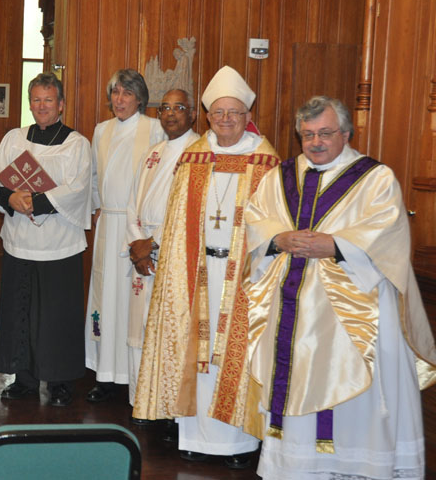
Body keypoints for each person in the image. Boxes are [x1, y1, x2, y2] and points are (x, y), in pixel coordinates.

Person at [244, 96, 436, 479]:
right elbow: (256, 219)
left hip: (354, 312)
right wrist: (278, 238)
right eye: (308, 134)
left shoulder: (375, 178)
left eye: (326, 133)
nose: (316, 142)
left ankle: (359, 466)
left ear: (346, 134)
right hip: (293, 311)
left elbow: (389, 231)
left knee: (354, 394)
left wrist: (334, 246)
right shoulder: (280, 176)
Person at [131, 65, 279, 468]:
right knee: (195, 350)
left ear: (247, 116)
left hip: (244, 276)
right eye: (219, 112)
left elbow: (275, 224)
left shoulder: (266, 162)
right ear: (208, 115)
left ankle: (240, 442)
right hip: (194, 273)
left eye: (234, 112)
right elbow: (177, 219)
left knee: (236, 352)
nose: (226, 119)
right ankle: (194, 436)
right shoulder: (194, 158)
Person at [0, 72, 92, 408]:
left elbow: (79, 189)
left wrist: (36, 201)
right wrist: (11, 198)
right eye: (36, 100)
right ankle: (24, 378)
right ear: (30, 104)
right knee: (21, 311)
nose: (42, 106)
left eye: (49, 100)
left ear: (61, 105)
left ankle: (61, 381)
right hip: (20, 241)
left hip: (60, 244)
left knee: (57, 316)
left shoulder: (76, 143)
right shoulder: (14, 138)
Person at [84, 69, 165, 403]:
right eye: (115, 92)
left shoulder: (155, 129)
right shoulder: (101, 131)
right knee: (106, 299)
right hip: (109, 224)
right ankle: (105, 374)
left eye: (127, 93)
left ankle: (135, 375)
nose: (120, 100)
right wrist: (96, 209)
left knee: (133, 302)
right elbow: (93, 177)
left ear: (140, 98)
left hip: (138, 229)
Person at [125, 89, 198, 412]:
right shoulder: (152, 153)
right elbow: (132, 203)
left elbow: (191, 210)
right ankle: (140, 401)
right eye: (165, 108)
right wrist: (136, 242)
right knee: (139, 326)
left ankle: (167, 406)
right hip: (142, 251)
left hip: (173, 254)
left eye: (178, 107)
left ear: (192, 113)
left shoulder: (200, 152)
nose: (170, 113)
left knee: (170, 332)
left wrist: (152, 243)